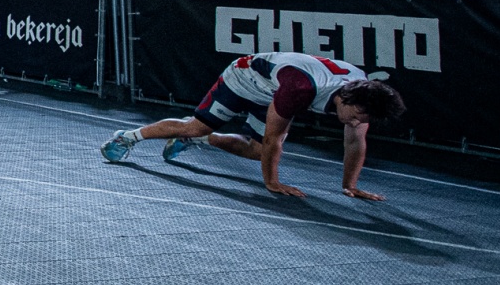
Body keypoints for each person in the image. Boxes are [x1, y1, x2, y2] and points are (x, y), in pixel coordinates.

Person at [101, 54, 406, 201]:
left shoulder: (361, 98)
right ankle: (128, 137)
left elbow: (354, 143)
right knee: (196, 127)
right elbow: (275, 138)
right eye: (356, 116)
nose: (356, 123)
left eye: (363, 120)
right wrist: (272, 183)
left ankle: (200, 142)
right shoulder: (301, 88)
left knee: (256, 151)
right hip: (243, 79)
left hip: (273, 91)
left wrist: (350, 186)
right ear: (347, 98)